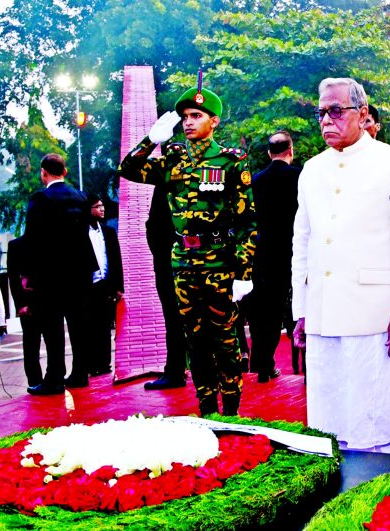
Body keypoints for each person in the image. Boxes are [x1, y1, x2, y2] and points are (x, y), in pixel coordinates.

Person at [291, 77, 390, 454]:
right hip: (322, 313)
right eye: (321, 113)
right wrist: (300, 311)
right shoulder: (312, 170)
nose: (326, 120)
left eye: (336, 110)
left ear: (363, 114)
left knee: (379, 421)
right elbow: (301, 245)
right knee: (328, 422)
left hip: (375, 316)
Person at [118, 80, 257, 416]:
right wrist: (150, 141)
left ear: (214, 121)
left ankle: (232, 412)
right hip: (183, 263)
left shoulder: (231, 162)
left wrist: (244, 272)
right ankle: (207, 410)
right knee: (195, 342)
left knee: (225, 341)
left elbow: (247, 223)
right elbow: (128, 169)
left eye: (197, 115)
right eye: (185, 117)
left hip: (220, 264)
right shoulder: (172, 162)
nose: (189, 122)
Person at [23, 154, 97, 395]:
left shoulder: (40, 198)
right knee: (79, 324)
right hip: (79, 272)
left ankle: (54, 377)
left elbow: (32, 239)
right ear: (64, 171)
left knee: (52, 328)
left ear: (44, 172)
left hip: (50, 274)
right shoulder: (81, 196)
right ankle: (79, 374)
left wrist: (29, 274)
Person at [249, 131, 302, 382]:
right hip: (297, 252)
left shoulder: (256, 181)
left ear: (269, 153)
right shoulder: (301, 177)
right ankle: (306, 366)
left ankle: (263, 366)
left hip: (266, 255)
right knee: (301, 307)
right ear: (291, 150)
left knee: (267, 312)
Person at [143, 186, 189, 390]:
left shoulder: (166, 183)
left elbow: (155, 227)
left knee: (174, 318)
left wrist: (160, 256)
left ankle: (175, 371)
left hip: (169, 262)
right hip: (200, 261)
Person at [83, 194, 124, 376]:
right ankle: (91, 364)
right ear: (88, 210)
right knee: (90, 327)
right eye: (97, 206)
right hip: (88, 286)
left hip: (106, 285)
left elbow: (117, 259)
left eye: (102, 206)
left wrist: (118, 286)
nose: (102, 209)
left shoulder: (108, 232)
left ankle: (105, 364)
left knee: (105, 326)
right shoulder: (81, 232)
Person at [8, 236, 44, 387]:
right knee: (31, 343)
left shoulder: (50, 242)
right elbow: (13, 277)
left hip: (49, 300)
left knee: (55, 342)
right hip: (29, 303)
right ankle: (35, 381)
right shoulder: (16, 245)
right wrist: (20, 304)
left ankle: (54, 376)